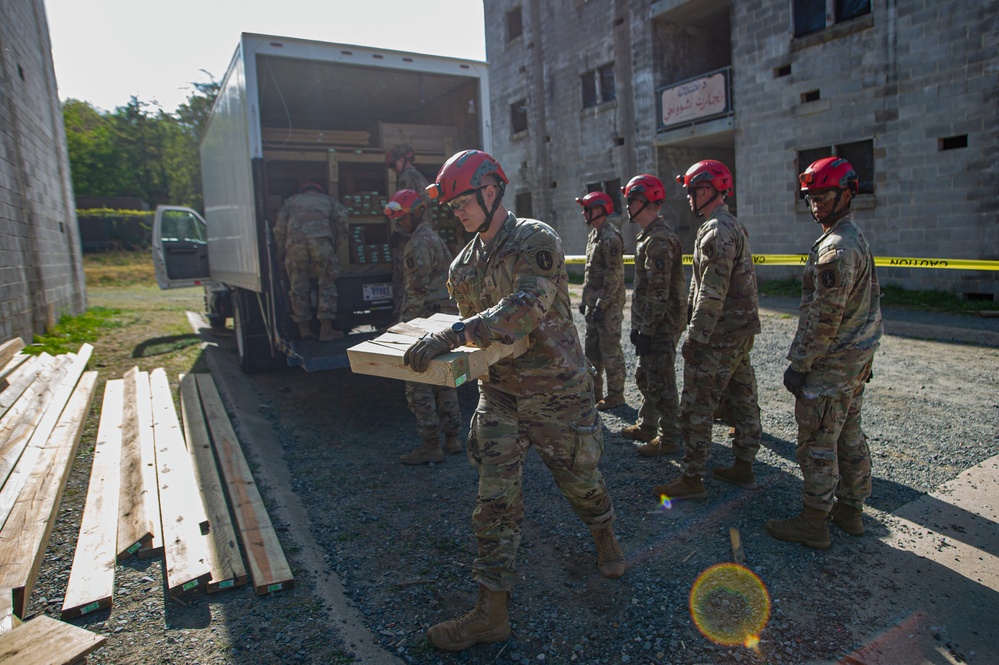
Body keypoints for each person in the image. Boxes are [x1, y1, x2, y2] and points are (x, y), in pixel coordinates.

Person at [404, 149, 625, 652]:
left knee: (582, 484)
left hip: (557, 393)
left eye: (463, 202)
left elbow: (523, 310)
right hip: (500, 396)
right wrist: (442, 344)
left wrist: (457, 331)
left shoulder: (534, 238)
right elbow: (481, 342)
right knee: (493, 503)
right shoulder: (462, 266)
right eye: (452, 205)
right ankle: (490, 614)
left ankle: (605, 534)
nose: (457, 213)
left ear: (489, 191)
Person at [766, 157, 882, 549]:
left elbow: (824, 318)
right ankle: (850, 511)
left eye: (824, 195)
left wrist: (799, 365)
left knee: (817, 442)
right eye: (811, 197)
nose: (816, 204)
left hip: (830, 364)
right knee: (848, 433)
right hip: (854, 359)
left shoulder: (835, 248)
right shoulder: (851, 236)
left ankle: (815, 522)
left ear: (848, 193)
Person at [653, 160, 762, 500]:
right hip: (738, 332)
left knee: (697, 404)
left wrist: (695, 337)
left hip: (718, 334)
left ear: (708, 189)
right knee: (743, 396)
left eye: (692, 190)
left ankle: (692, 478)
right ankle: (743, 465)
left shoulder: (717, 231)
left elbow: (711, 292)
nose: (688, 197)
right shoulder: (731, 225)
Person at [384, 189, 463, 465]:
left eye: (403, 217)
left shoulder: (417, 244)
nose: (399, 223)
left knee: (417, 379)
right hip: (443, 319)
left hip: (426, 321)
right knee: (445, 378)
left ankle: (431, 444)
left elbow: (416, 291)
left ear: (418, 213)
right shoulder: (431, 237)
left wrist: (402, 329)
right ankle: (453, 439)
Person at [617, 175, 688, 456]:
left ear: (640, 202)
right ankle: (647, 424)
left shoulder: (658, 238)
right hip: (651, 323)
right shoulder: (649, 235)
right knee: (645, 375)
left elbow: (659, 290)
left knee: (661, 380)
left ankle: (670, 437)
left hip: (661, 325)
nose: (626, 207)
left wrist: (647, 329)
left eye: (630, 202)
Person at [274, 183, 348, 342]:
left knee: (298, 286)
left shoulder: (291, 201)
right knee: (326, 283)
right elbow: (343, 219)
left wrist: (280, 252)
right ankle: (326, 330)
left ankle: (304, 330)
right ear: (318, 191)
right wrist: (335, 245)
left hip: (295, 244)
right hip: (321, 243)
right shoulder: (328, 200)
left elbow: (279, 227)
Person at [576, 192, 627, 410]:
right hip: (594, 307)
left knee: (610, 351)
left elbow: (612, 277)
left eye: (586, 208)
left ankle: (616, 395)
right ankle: (594, 394)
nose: (583, 213)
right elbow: (591, 274)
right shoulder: (593, 236)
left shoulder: (610, 237)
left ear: (598, 209)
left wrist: (601, 306)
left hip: (608, 308)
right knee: (592, 352)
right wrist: (585, 300)